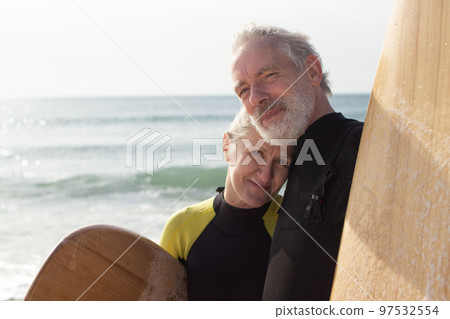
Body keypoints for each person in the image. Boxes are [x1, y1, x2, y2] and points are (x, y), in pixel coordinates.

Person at [230, 24, 364, 300]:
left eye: (268, 75)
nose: (255, 98)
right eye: (243, 90)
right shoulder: (292, 162)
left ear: (313, 71)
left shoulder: (363, 144)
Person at [160, 108, 292, 300]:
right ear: (227, 147)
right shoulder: (182, 228)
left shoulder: (294, 225)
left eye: (281, 162)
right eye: (256, 153)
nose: (266, 175)